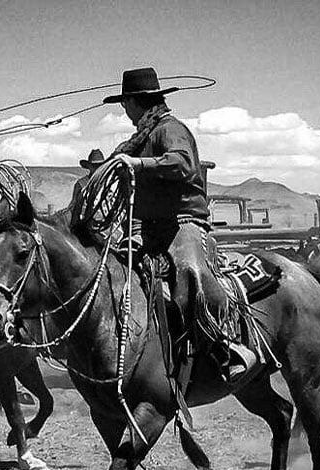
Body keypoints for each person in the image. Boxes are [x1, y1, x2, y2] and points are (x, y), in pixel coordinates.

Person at [104, 67, 256, 382]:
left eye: (125, 103)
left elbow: (184, 163)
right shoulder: (141, 138)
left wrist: (138, 164)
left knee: (189, 272)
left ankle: (224, 345)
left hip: (183, 221)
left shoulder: (170, 130)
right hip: (149, 227)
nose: (124, 110)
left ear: (136, 102)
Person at [68, 148, 105, 229]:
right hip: (86, 224)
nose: (97, 168)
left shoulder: (108, 183)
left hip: (106, 224)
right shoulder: (81, 184)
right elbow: (73, 205)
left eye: (99, 166)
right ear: (89, 167)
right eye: (94, 166)